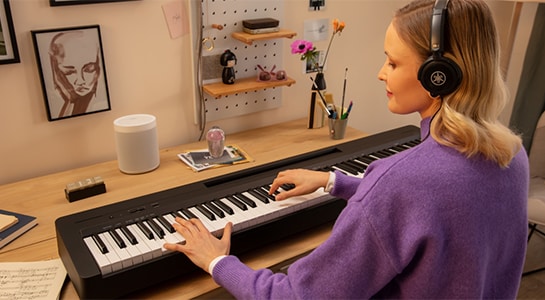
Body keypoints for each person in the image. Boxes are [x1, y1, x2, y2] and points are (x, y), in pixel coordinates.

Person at [164, 0, 529, 298]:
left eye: (393, 62)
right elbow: (433, 206)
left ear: (439, 74)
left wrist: (217, 262)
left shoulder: (403, 182)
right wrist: (333, 182)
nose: (381, 73)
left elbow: (293, 297)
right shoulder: (511, 155)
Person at [49, 30, 102, 118]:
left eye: (89, 70)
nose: (80, 81)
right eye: (69, 72)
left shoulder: (100, 104)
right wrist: (70, 99)